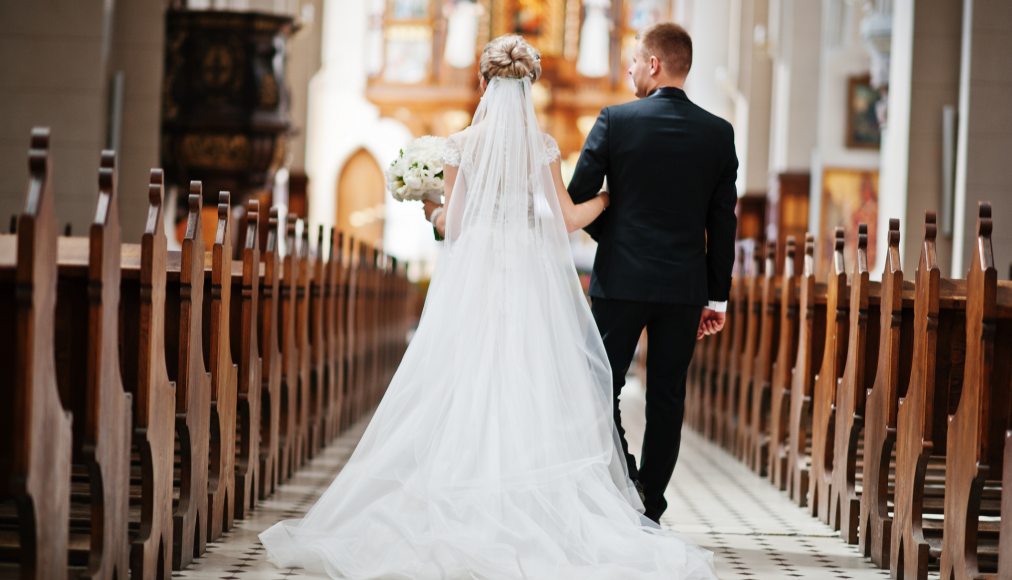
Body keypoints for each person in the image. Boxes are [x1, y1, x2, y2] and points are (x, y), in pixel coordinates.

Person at [260, 34, 717, 579]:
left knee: (468, 377)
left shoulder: (460, 146)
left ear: (482, 84)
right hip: (527, 269)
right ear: (528, 87)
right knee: (529, 377)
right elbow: (568, 220)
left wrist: (429, 210)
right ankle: (553, 501)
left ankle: (462, 488)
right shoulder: (543, 146)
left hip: (477, 270)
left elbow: (452, 225)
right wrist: (610, 198)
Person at [567, 22, 738, 523]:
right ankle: (650, 504)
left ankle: (624, 479)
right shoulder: (717, 133)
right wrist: (716, 297)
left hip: (621, 280)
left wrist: (617, 236)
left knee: (602, 385)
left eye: (636, 61)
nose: (630, 69)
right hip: (684, 289)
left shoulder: (616, 121)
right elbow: (721, 223)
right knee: (667, 395)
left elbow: (578, 198)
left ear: (655, 65)